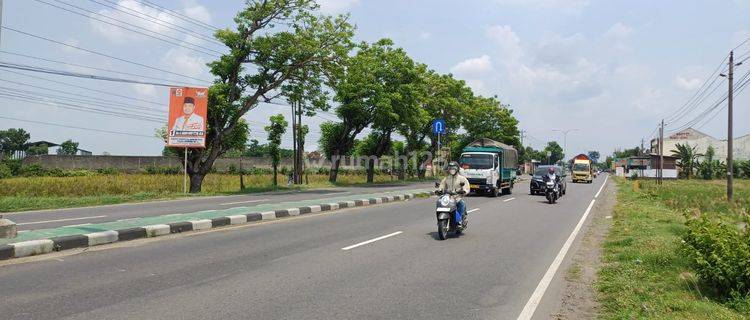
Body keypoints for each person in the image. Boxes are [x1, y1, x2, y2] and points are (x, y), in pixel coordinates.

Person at [438, 161, 471, 227]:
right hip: (448, 198)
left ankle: (459, 221)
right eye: (450, 168)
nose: (452, 170)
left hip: (457, 197)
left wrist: (464, 191)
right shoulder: (447, 178)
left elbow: (466, 187)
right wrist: (439, 190)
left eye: (453, 168)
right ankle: (440, 220)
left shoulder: (462, 178)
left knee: (462, 204)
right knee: (439, 202)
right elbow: (442, 185)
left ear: (457, 169)